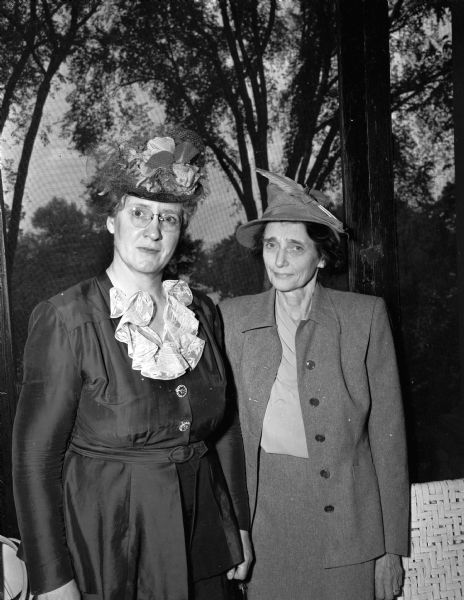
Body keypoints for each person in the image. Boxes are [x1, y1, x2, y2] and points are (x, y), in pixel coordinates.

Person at [12, 128, 252, 600]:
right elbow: (34, 459)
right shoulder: (67, 317)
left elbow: (224, 430)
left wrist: (238, 526)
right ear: (111, 220)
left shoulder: (201, 312)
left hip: (203, 533)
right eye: (139, 212)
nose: (153, 230)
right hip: (113, 541)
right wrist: (51, 579)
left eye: (169, 218)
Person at [219, 169, 409, 600]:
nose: (279, 260)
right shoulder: (232, 319)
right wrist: (232, 534)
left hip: (350, 527)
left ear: (321, 257)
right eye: (271, 245)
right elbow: (222, 438)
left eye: (295, 246)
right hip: (265, 526)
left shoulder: (365, 317)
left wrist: (391, 548)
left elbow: (388, 437)